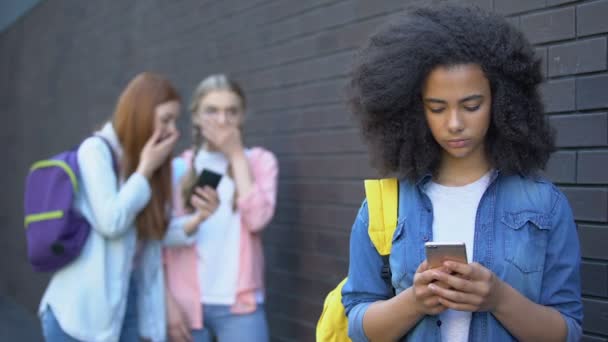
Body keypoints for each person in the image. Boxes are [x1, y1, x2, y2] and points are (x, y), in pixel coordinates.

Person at [341, 5, 582, 342]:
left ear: (501, 101)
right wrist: (414, 301)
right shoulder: (385, 206)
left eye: (471, 106)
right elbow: (357, 323)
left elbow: (567, 330)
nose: (454, 123)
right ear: (412, 108)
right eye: (437, 108)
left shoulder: (545, 205)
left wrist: (498, 298)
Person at [39, 72, 194, 342]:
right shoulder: (96, 151)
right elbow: (111, 222)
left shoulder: (151, 168)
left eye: (174, 120)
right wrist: (145, 170)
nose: (173, 130)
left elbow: (153, 235)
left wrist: (200, 217)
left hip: (126, 305)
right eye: (165, 119)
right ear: (142, 114)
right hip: (79, 316)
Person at [163, 74, 278, 342]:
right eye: (211, 111)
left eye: (231, 112)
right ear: (195, 116)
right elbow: (160, 245)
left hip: (241, 305)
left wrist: (236, 155)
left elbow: (258, 219)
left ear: (242, 117)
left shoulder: (260, 161)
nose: (222, 120)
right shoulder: (178, 168)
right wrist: (167, 305)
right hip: (186, 305)